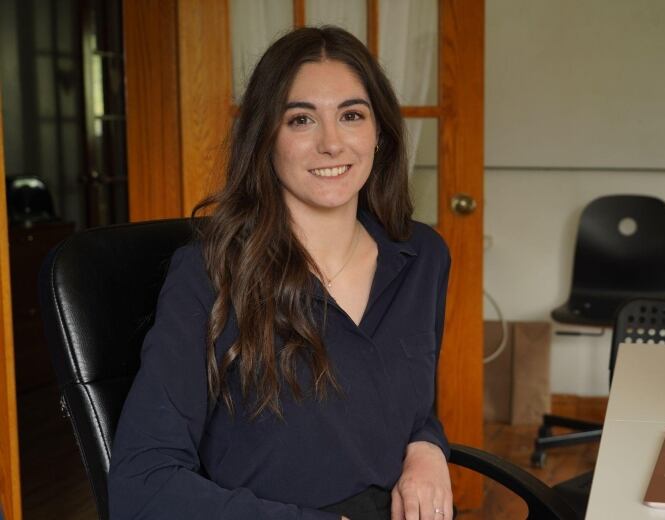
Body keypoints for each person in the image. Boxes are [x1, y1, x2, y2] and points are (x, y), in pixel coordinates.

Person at [108, 26, 453, 520]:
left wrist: (427, 444)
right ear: (265, 139)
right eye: (301, 120)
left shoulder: (423, 256)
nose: (332, 144)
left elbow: (399, 403)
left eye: (351, 115)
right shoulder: (210, 272)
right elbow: (142, 485)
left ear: (380, 135)